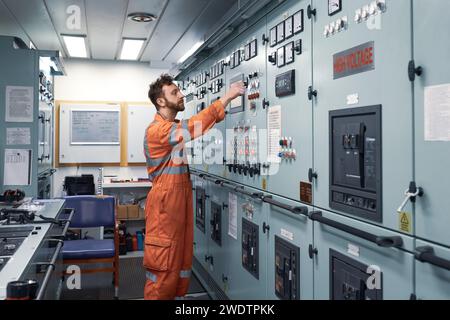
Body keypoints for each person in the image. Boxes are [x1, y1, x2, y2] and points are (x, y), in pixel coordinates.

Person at [143, 74, 245, 300]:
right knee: (163, 272)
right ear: (161, 102)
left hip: (177, 207)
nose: (181, 95)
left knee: (180, 267)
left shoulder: (171, 127)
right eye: (174, 92)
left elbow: (195, 126)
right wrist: (227, 97)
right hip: (164, 211)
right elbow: (195, 125)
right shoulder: (157, 131)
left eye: (179, 90)